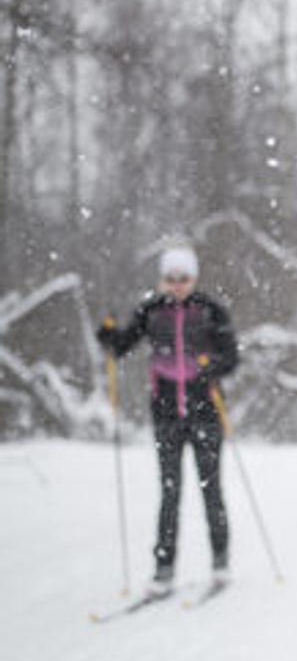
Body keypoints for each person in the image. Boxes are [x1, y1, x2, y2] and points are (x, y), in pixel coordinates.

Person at [97, 244, 239, 595]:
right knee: (169, 492)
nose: (177, 285)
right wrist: (109, 336)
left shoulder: (210, 310)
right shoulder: (151, 310)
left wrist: (211, 367)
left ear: (194, 278)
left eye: (184, 278)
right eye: (171, 278)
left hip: (205, 411)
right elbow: (123, 345)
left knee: (211, 490)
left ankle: (220, 560)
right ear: (163, 279)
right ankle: (164, 569)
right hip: (166, 413)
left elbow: (231, 357)